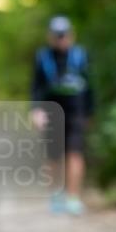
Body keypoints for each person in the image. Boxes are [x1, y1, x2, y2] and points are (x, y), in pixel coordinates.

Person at [30, 16, 94, 216]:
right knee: (54, 156)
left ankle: (73, 197)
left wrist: (90, 112)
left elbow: (90, 86)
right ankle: (56, 195)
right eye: (57, 35)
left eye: (64, 35)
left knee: (75, 153)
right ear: (50, 36)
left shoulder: (81, 56)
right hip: (51, 112)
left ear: (71, 34)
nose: (61, 39)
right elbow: (35, 87)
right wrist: (36, 110)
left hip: (76, 111)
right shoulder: (43, 57)